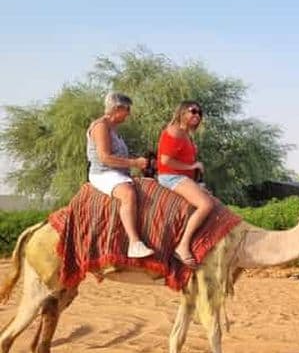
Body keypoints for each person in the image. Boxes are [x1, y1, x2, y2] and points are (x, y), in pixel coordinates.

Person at [86, 92, 154, 259]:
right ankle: (134, 243)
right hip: (103, 173)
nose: (129, 113)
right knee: (128, 194)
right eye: (127, 109)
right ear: (117, 109)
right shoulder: (100, 126)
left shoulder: (113, 130)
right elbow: (105, 158)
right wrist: (134, 163)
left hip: (117, 173)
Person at [157, 100, 214, 268]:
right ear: (182, 112)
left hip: (183, 178)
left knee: (208, 199)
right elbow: (165, 160)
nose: (197, 115)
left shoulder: (185, 133)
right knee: (206, 205)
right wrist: (192, 166)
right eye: (193, 111)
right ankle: (182, 246)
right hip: (171, 177)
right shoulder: (175, 131)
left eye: (199, 113)